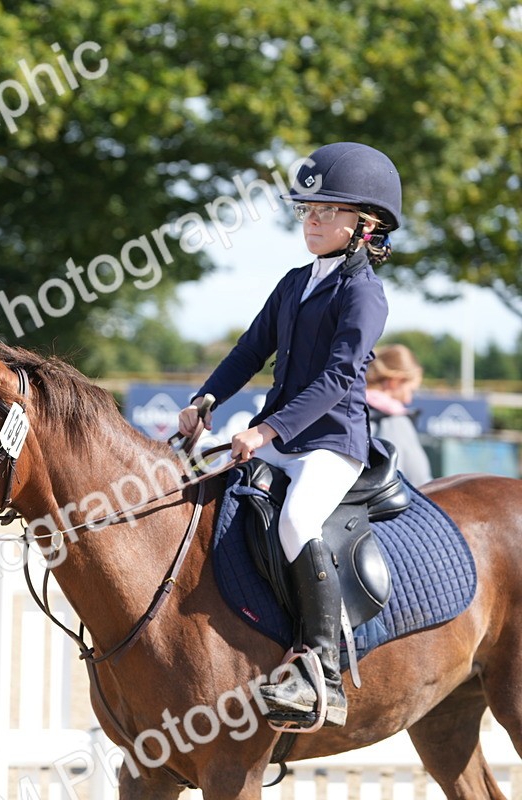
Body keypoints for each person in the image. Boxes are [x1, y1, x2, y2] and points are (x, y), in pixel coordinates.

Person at [177, 142, 402, 729]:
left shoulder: (363, 293)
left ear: (366, 225)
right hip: (281, 434)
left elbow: (337, 377)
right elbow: (251, 349)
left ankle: (321, 666)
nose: (312, 220)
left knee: (298, 520)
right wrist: (206, 399)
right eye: (307, 210)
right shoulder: (294, 281)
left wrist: (267, 428)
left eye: (327, 211)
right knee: (206, 488)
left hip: (333, 442)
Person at [366, 343, 433, 485]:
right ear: (394, 382)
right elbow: (419, 479)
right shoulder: (395, 419)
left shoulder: (349, 406)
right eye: (410, 391)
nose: (408, 400)